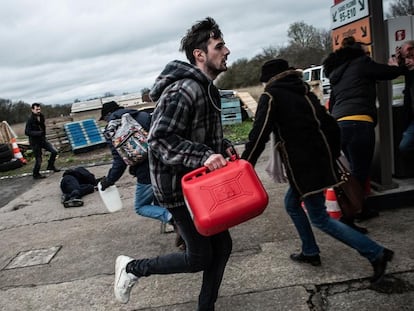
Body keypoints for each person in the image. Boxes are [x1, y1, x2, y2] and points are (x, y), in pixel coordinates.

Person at [113, 17, 232, 310]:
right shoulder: (183, 90)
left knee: (223, 246)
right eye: (219, 46)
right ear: (199, 54)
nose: (227, 51)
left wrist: (222, 149)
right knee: (199, 257)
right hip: (179, 190)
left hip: (200, 184)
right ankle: (131, 268)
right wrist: (204, 156)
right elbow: (161, 139)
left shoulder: (207, 90)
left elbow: (198, 135)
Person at [242, 58, 394, 285]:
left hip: (304, 168)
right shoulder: (303, 91)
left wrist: (245, 165)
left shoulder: (271, 96)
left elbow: (259, 133)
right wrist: (330, 155)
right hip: (319, 162)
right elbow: (330, 125)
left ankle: (375, 253)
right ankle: (310, 251)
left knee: (320, 218)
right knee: (292, 205)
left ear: (268, 80)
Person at [322, 36, 407, 223]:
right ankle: (355, 211)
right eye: (367, 53)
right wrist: (396, 65)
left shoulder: (338, 72)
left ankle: (358, 207)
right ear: (358, 53)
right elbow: (387, 73)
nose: (369, 56)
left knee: (353, 170)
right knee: (360, 171)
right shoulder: (361, 63)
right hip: (359, 123)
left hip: (340, 124)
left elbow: (332, 104)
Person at [98, 101, 176, 233]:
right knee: (160, 200)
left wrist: (109, 180)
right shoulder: (143, 115)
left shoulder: (112, 129)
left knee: (141, 206)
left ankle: (175, 220)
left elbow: (120, 160)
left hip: (146, 172)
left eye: (105, 118)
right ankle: (182, 233)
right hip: (166, 163)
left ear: (109, 114)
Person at [25, 103, 60, 179]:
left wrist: (43, 135)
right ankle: (36, 174)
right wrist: (38, 133)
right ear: (32, 110)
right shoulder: (30, 119)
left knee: (54, 151)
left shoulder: (41, 116)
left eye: (39, 109)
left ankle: (50, 166)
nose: (38, 111)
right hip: (35, 142)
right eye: (36, 109)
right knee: (39, 159)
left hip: (42, 140)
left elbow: (42, 127)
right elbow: (27, 132)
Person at [394, 40, 414, 157]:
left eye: (410, 57)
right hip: (411, 119)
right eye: (405, 58)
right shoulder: (408, 73)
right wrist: (398, 61)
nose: (407, 61)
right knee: (404, 146)